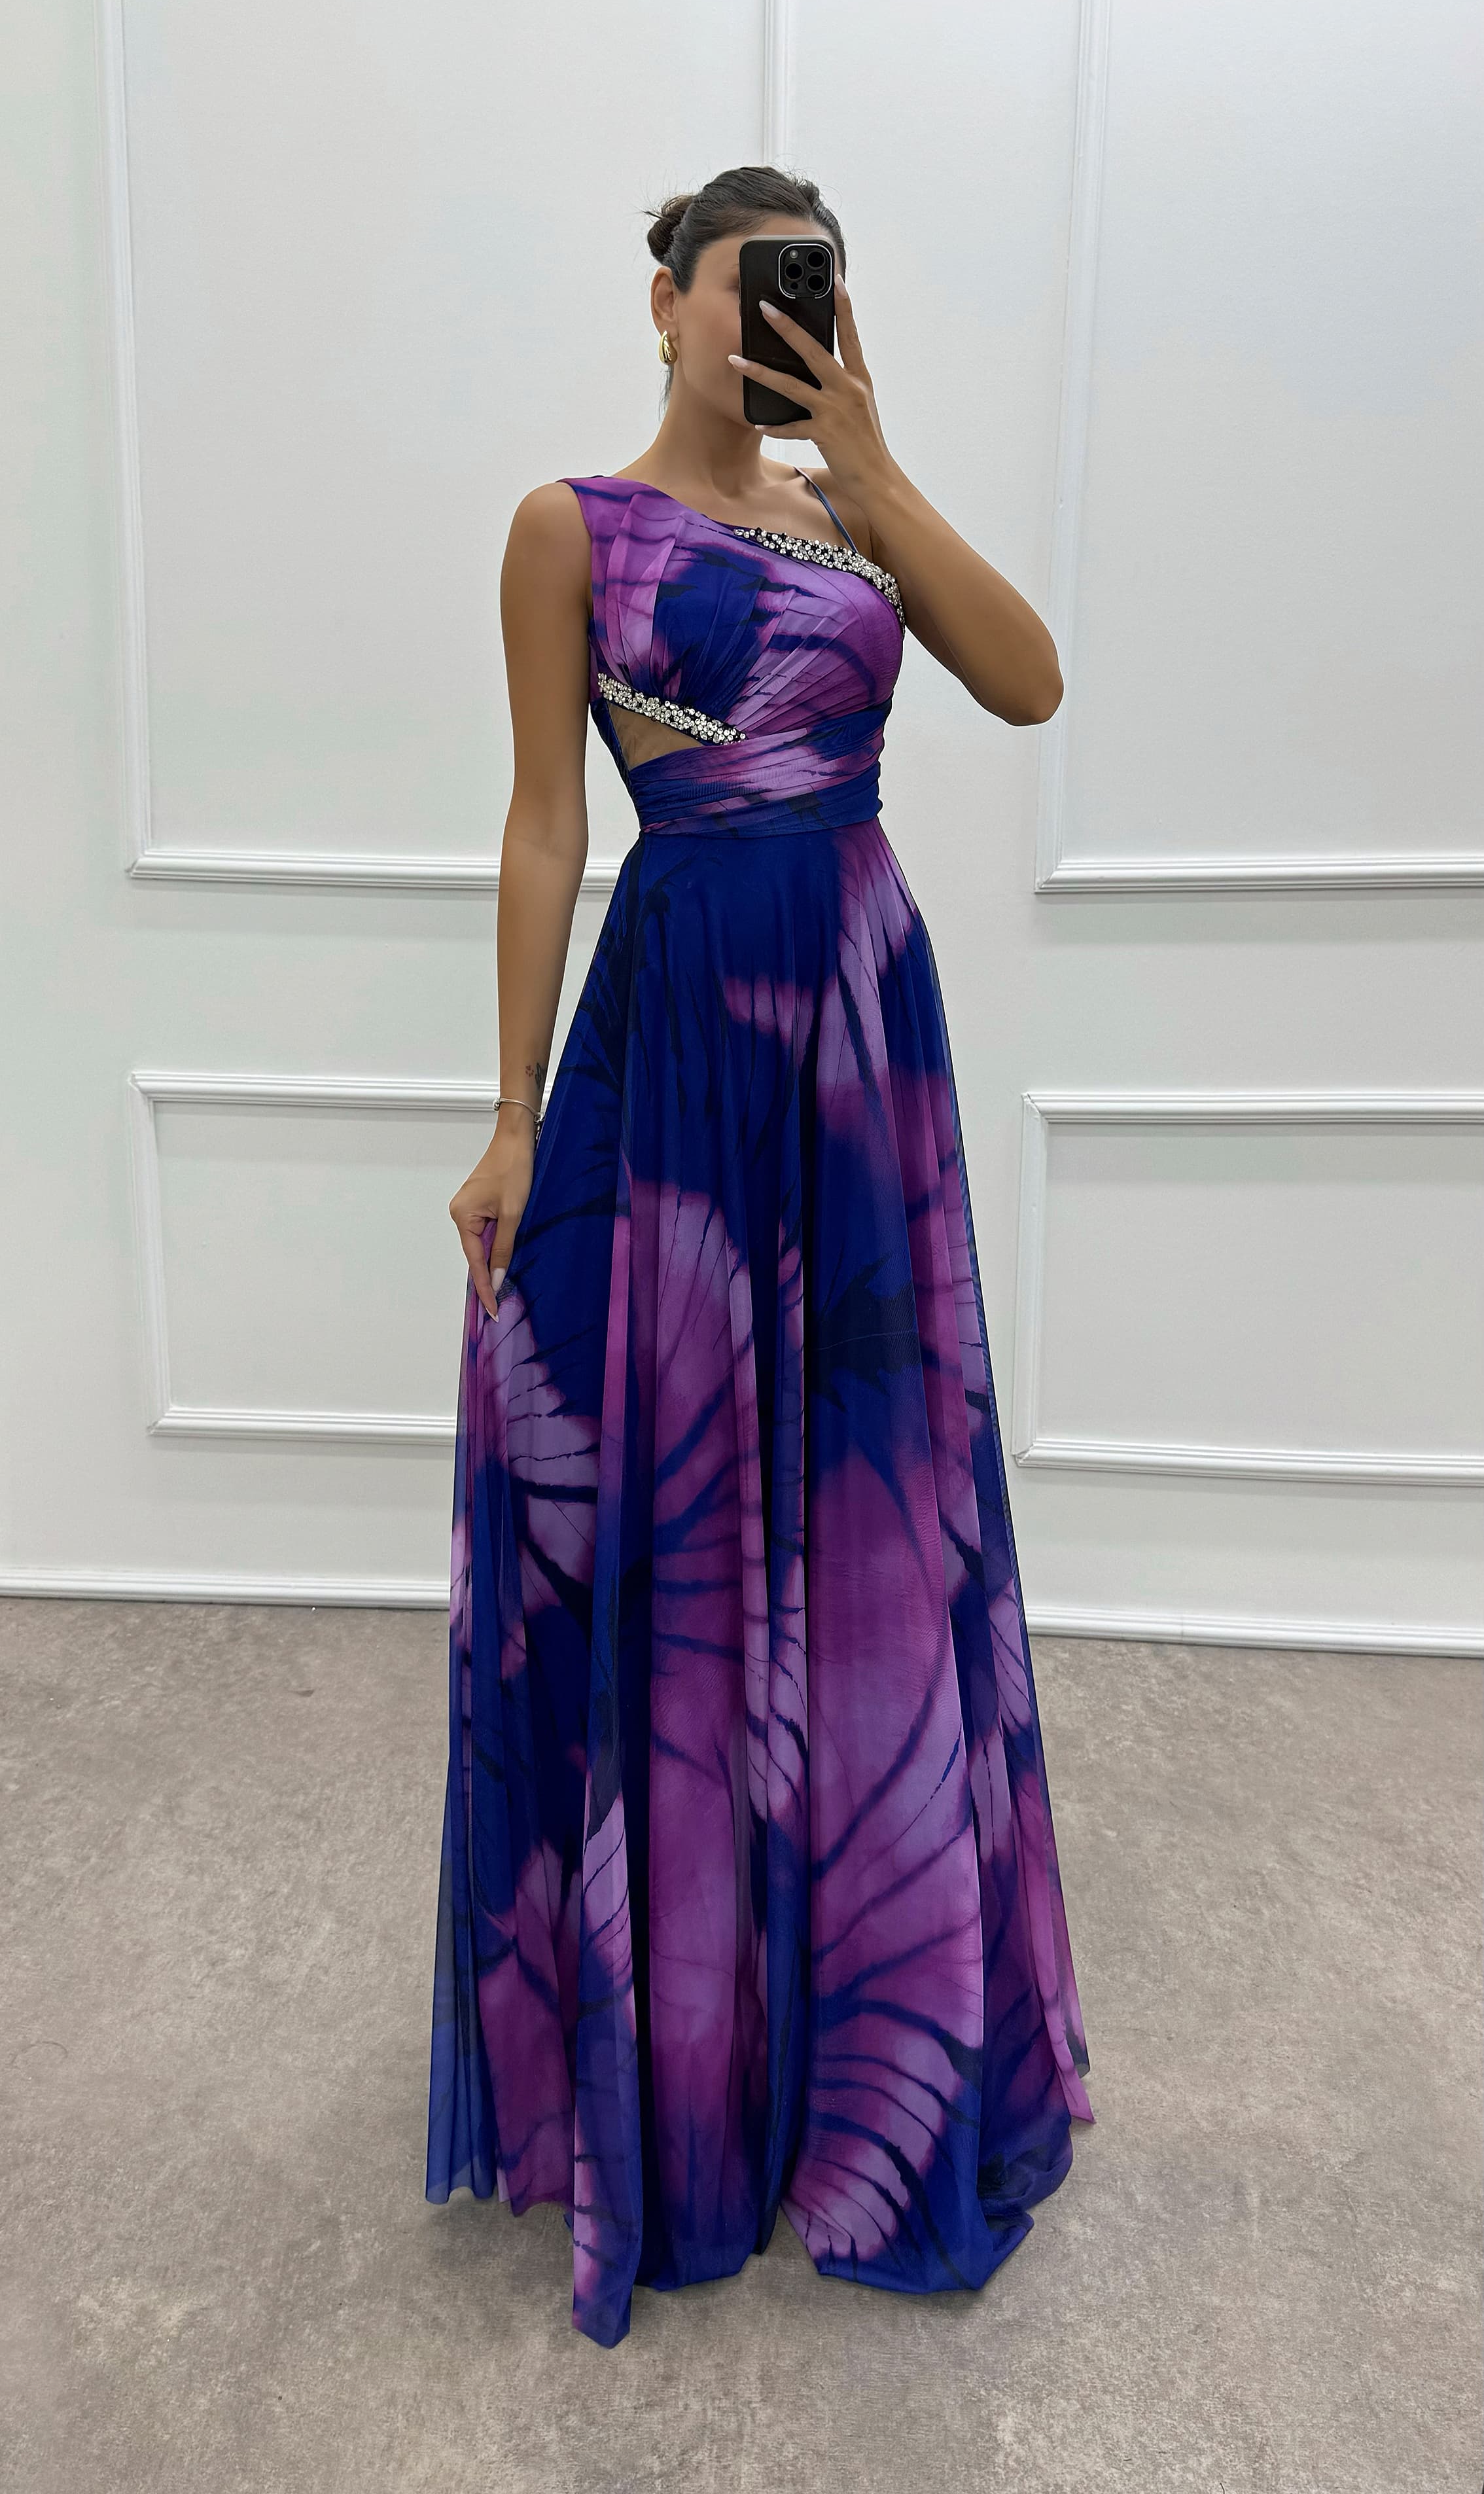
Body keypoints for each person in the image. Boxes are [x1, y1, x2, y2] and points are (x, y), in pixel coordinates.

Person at [425, 162, 1093, 2349]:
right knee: (674, 1519)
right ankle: (689, 2064)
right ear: (663, 302)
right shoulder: (572, 528)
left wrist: (877, 471)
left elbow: (1029, 684)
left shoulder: (845, 520)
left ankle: (862, 2058)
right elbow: (547, 818)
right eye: (749, 285)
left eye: (814, 287)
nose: (779, 317)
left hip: (860, 1034)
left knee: (877, 1509)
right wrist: (512, 1111)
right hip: (687, 1032)